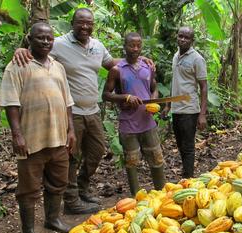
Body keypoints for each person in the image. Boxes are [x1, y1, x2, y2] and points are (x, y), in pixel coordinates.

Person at [13, 8, 154, 214]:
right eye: (80, 22)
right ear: (72, 23)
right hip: (71, 111)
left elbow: (111, 64)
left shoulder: (97, 46)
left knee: (97, 151)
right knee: (72, 155)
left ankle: (82, 187)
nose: (85, 26)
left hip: (92, 109)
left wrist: (140, 60)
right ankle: (71, 200)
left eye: (89, 23)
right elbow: (37, 53)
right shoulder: (58, 44)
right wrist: (21, 50)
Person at [0, 23, 75, 233]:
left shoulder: (58, 66)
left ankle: (52, 219)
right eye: (40, 38)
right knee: (29, 188)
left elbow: (68, 102)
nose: (45, 42)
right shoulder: (17, 65)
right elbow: (11, 103)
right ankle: (28, 230)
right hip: (31, 139)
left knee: (58, 182)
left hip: (58, 138)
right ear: (29, 39)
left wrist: (71, 130)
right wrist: (17, 135)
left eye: (49, 38)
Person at [102, 32, 166, 196]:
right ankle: (136, 198)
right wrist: (126, 97)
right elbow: (106, 95)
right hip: (128, 124)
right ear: (125, 47)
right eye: (132, 45)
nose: (135, 48)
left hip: (147, 122)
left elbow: (154, 88)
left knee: (156, 158)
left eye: (138, 45)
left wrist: (153, 100)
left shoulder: (147, 67)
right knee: (132, 162)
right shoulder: (117, 70)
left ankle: (162, 193)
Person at [161, 26, 208, 179]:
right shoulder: (176, 56)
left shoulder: (197, 59)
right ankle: (186, 173)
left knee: (188, 146)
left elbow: (204, 87)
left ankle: (188, 178)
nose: (182, 39)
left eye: (186, 37)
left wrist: (202, 115)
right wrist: (167, 105)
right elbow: (175, 82)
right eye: (180, 36)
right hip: (176, 108)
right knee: (180, 144)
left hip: (189, 109)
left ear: (192, 40)